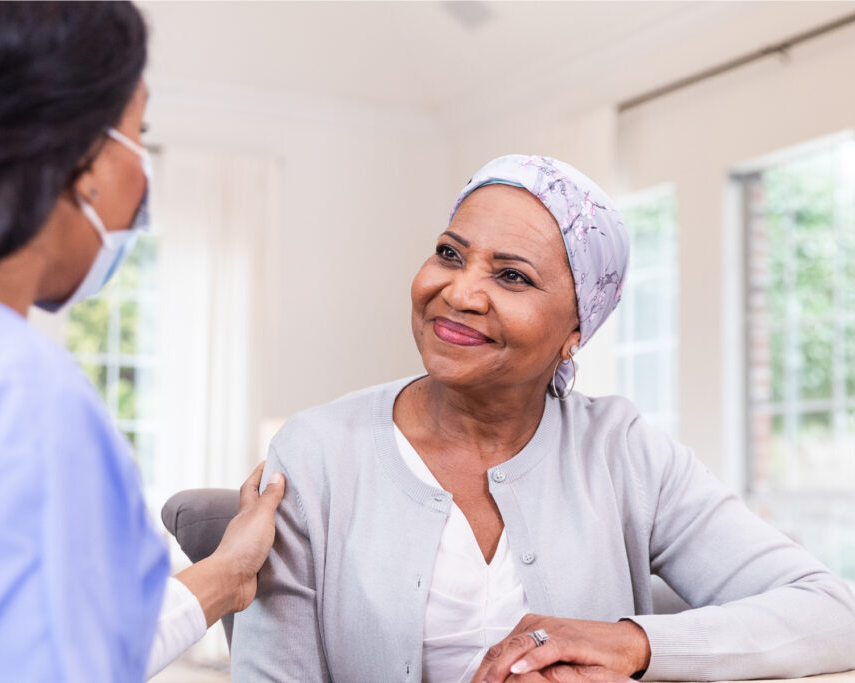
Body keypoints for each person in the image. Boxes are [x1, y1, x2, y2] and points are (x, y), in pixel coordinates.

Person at [231, 154, 855, 682]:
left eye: (511, 276)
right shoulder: (317, 450)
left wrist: (633, 643)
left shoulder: (623, 451)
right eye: (450, 254)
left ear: (576, 330)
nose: (460, 292)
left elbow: (832, 612)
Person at [0, 3, 284, 681]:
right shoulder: (4, 396)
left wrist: (223, 576)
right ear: (81, 157)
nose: (143, 176)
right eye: (141, 132)